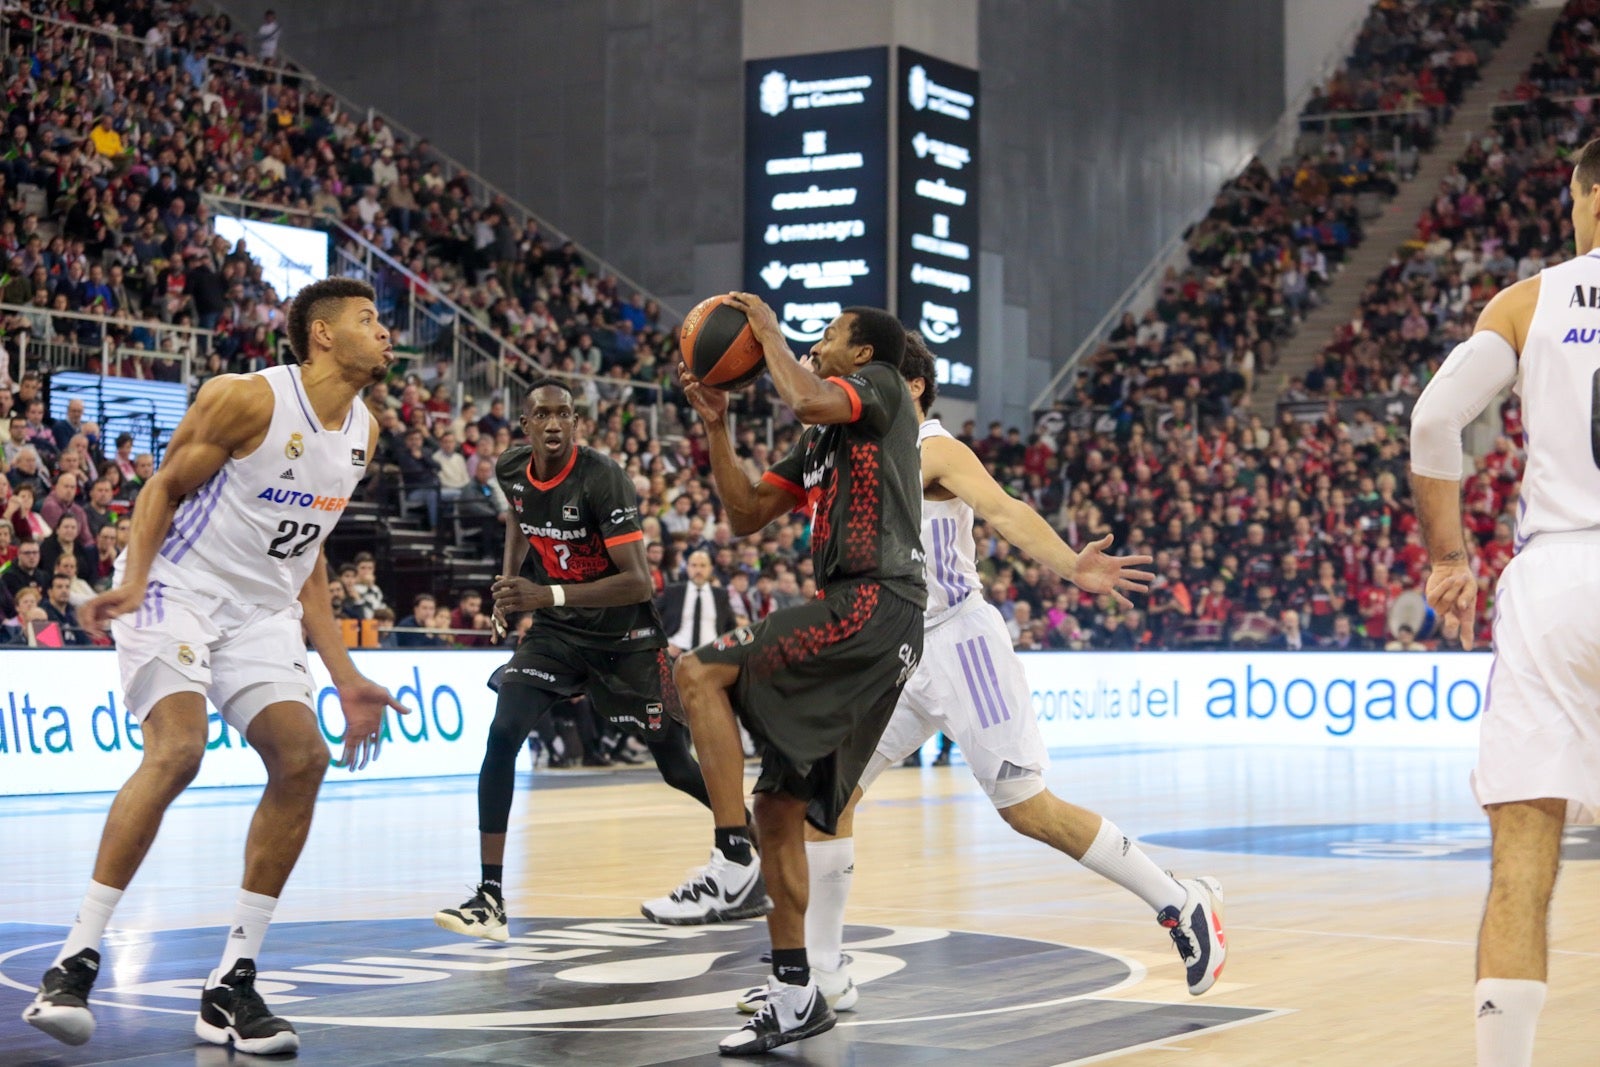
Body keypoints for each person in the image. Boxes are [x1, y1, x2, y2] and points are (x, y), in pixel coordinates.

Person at [727, 333, 1225, 1021]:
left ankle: (1178, 898)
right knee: (827, 802)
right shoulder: (850, 449)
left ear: (914, 388)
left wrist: (1070, 565)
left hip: (960, 645)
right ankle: (825, 974)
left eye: (877, 376)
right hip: (887, 649)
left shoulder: (934, 448)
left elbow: (1004, 509)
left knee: (1027, 808)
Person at [22, 278, 409, 1056]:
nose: (386, 333)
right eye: (370, 320)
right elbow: (164, 485)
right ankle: (73, 961)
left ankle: (231, 982)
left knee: (304, 759)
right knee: (179, 750)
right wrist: (132, 580)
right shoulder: (247, 400)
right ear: (324, 335)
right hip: (179, 587)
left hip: (260, 614)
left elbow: (307, 553)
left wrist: (342, 672)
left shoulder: (362, 433)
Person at [642, 298, 926, 1056]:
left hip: (873, 600)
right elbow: (744, 514)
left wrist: (762, 326)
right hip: (868, 619)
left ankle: (729, 860)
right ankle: (797, 993)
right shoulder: (821, 437)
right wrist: (713, 422)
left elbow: (803, 390)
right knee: (780, 808)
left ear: (863, 354)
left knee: (697, 671)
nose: (817, 339)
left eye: (832, 333)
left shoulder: (885, 389)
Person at [1409, 137, 1600, 1067]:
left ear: (1588, 199)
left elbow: (1434, 420)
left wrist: (1451, 555)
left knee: (1524, 862)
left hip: (1560, 578)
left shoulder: (1530, 301)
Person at [432, 377, 736, 944]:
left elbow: (636, 581)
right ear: (524, 426)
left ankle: (747, 843)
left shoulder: (603, 479)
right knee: (503, 733)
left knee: (675, 764)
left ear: (577, 424)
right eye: (542, 414)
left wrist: (544, 594)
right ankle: (490, 896)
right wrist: (510, 583)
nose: (553, 423)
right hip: (557, 633)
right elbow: (521, 520)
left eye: (564, 414)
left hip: (625, 637)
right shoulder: (511, 470)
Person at [659, 549, 735, 658]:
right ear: (687, 568)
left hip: (711, 654)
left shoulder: (721, 595)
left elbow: (731, 626)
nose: (698, 570)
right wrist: (664, 644)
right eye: (694, 565)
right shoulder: (672, 591)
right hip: (677, 655)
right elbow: (652, 619)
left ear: (711, 569)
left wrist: (723, 648)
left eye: (703, 565)